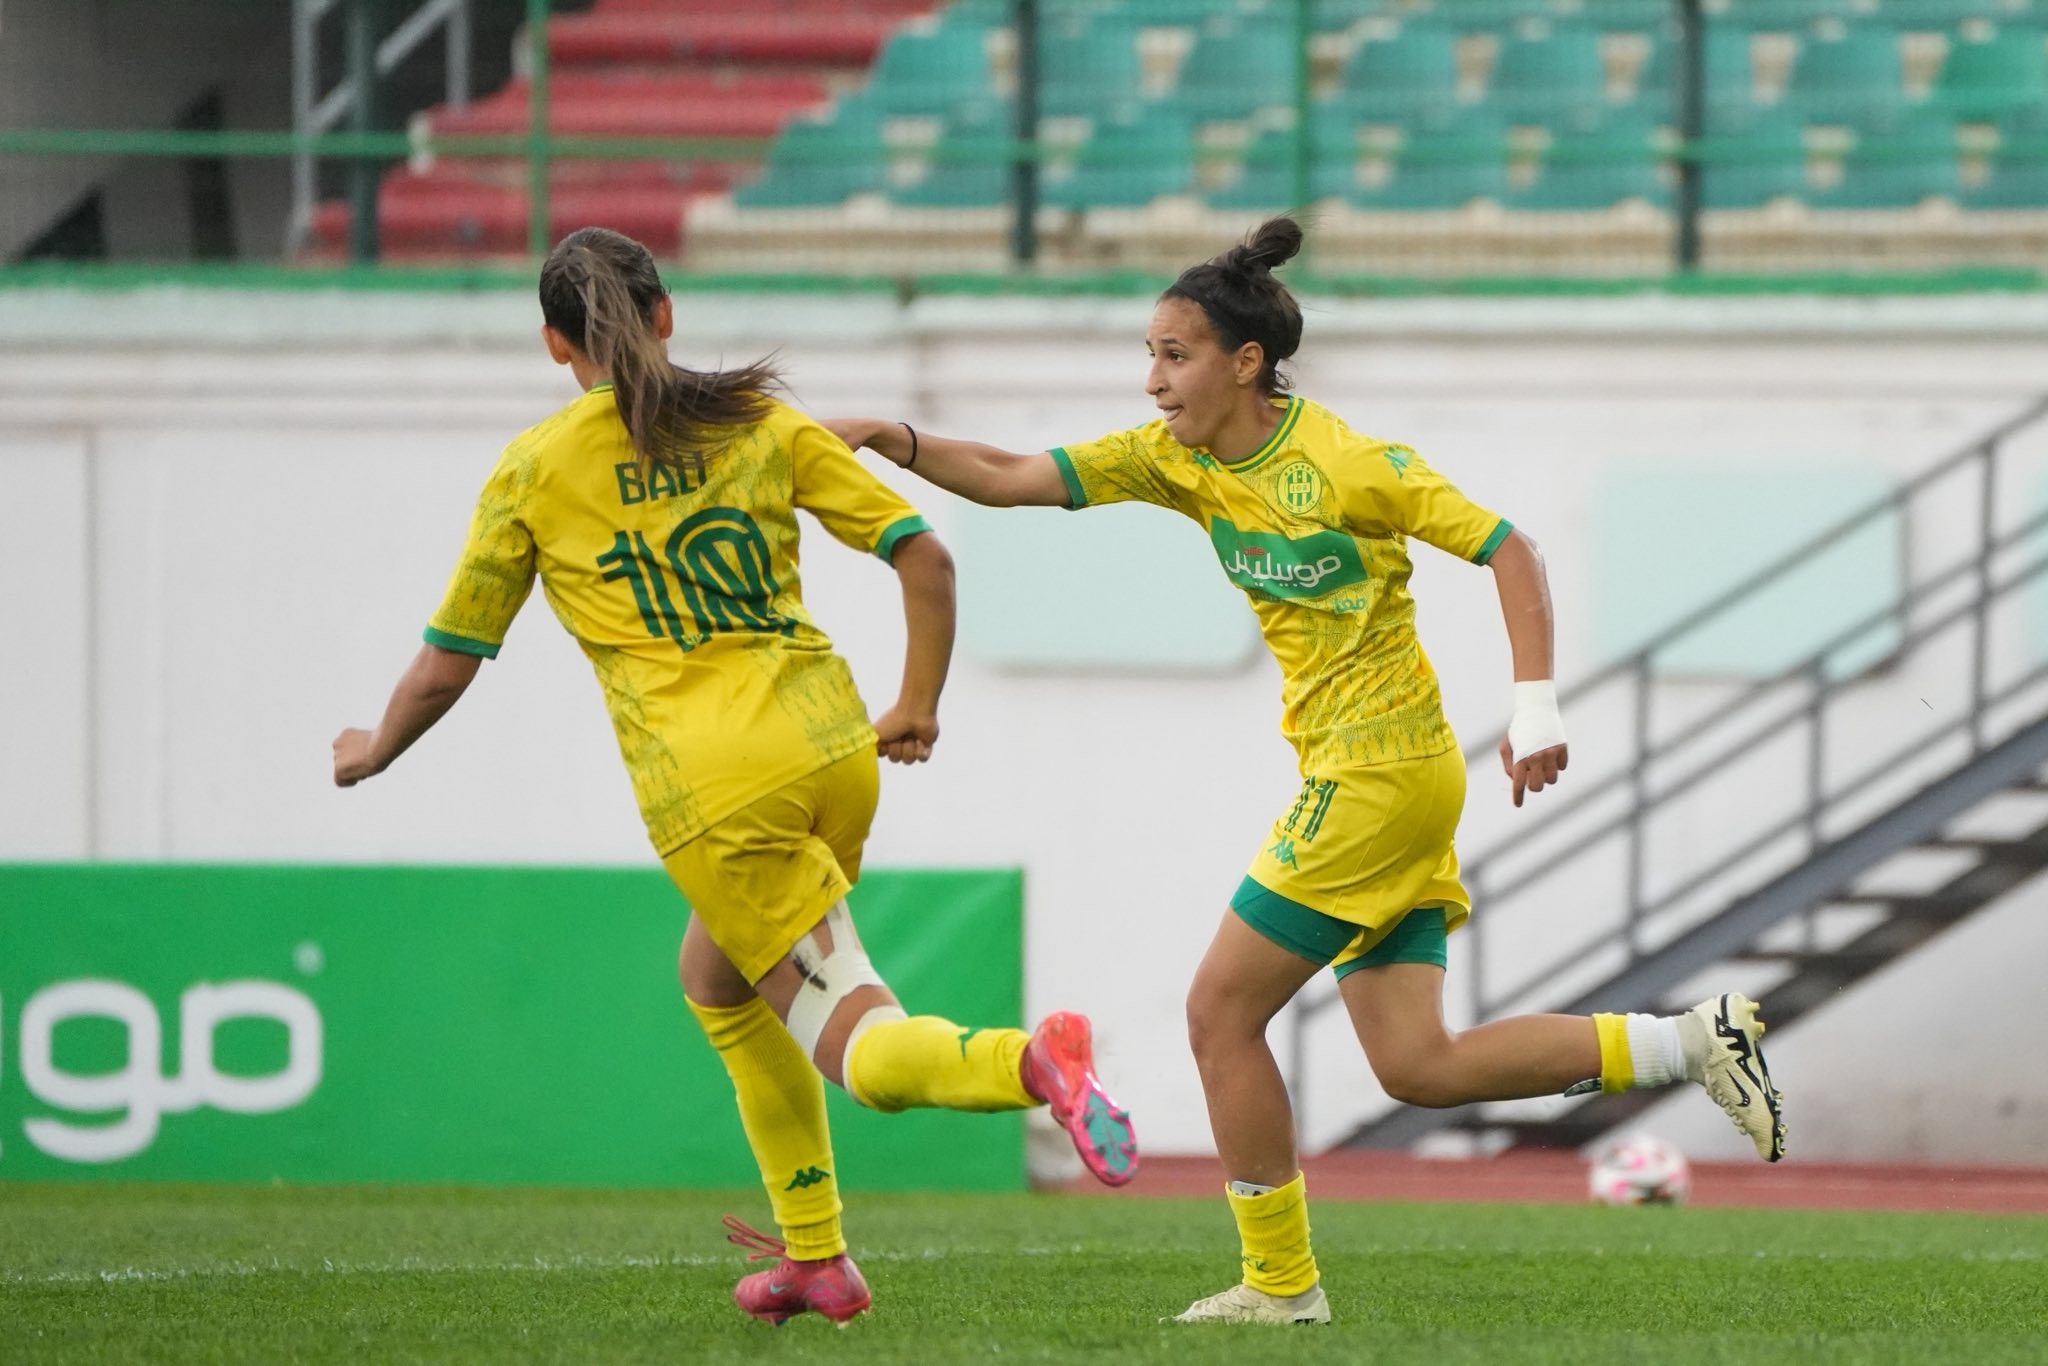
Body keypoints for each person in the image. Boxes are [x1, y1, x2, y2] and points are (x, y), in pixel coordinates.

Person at [824, 216, 1785, 1327]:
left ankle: (1280, 1285)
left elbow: (1504, 546)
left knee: (1215, 1012)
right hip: (1375, 779)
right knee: (1416, 1063)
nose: (1150, 381)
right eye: (1147, 355)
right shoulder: (1176, 460)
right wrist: (890, 436)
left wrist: (1532, 708)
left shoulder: (1342, 461)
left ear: (1243, 363)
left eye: (1172, 356)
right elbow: (1004, 474)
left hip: (1379, 778)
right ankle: (1690, 1040)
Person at [331, 226, 1138, 1328]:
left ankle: (1027, 1062)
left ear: (552, 343)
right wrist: (916, 704)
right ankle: (816, 1257)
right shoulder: (761, 418)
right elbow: (927, 556)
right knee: (715, 975)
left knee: (852, 1035)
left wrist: (373, 746)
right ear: (665, 314)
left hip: (717, 790)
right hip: (832, 747)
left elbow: (447, 664)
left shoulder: (533, 468)